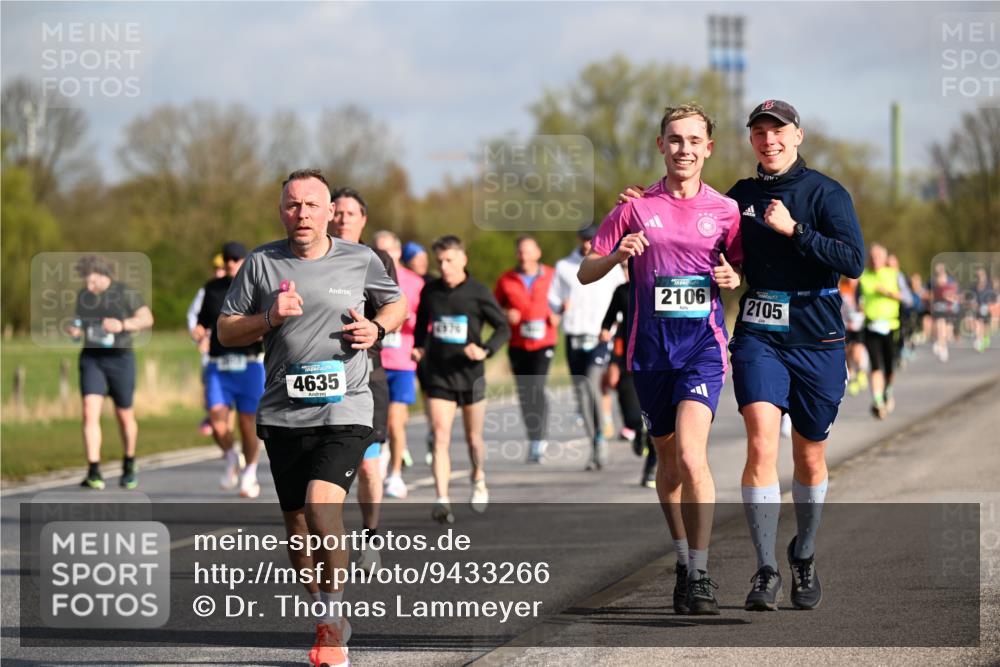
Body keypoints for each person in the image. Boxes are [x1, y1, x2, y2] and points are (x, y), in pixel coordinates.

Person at [217, 169, 405, 667]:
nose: (301, 213)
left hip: (346, 406)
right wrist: (269, 318)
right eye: (292, 205)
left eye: (311, 205)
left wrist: (377, 329)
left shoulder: (360, 258)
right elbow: (226, 332)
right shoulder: (260, 262)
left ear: (329, 213)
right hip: (283, 413)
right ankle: (325, 613)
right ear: (282, 211)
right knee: (298, 531)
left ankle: (331, 624)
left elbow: (396, 303)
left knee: (323, 510)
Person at [581, 103, 743, 615]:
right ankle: (680, 557)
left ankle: (701, 573)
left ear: (708, 149)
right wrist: (616, 255)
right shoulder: (634, 207)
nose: (685, 149)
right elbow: (587, 270)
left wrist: (733, 279)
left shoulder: (725, 211)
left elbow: (740, 268)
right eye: (675, 140)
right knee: (668, 464)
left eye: (694, 141)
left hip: (703, 349)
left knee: (694, 458)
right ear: (661, 145)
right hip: (650, 355)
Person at [726, 100, 864, 612]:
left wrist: (795, 231)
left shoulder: (826, 193)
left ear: (798, 136)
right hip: (759, 335)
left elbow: (854, 262)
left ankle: (802, 552)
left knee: (809, 455)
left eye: (778, 131)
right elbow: (704, 237)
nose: (769, 140)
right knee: (761, 443)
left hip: (818, 338)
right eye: (760, 132)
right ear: (752, 141)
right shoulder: (738, 197)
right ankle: (765, 569)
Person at [412, 235, 510, 524]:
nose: (444, 266)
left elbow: (502, 327)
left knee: (473, 438)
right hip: (438, 374)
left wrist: (485, 350)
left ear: (463, 260)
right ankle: (442, 499)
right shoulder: (430, 291)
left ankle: (478, 476)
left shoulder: (478, 292)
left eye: (449, 260)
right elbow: (420, 326)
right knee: (440, 435)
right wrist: (418, 348)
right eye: (440, 261)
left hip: (470, 375)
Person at [330, 187, 396, 573]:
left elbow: (393, 306)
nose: (341, 218)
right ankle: (329, 541)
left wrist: (374, 327)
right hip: (321, 374)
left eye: (349, 213)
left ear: (362, 219)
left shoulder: (378, 258)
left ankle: (371, 536)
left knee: (369, 466)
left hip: (367, 370)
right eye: (336, 212)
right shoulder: (309, 257)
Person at [67, 255, 154, 490]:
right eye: (85, 281)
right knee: (88, 410)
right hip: (92, 359)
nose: (88, 285)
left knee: (124, 415)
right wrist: (74, 330)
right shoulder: (84, 296)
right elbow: (79, 321)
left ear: (103, 274)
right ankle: (94, 470)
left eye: (91, 280)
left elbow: (147, 319)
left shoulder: (125, 292)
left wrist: (123, 325)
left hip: (120, 359)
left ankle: (129, 464)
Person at [549, 226, 624, 470]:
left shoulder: (609, 263)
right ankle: (595, 441)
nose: (587, 243)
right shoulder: (564, 266)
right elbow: (552, 298)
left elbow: (622, 295)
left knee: (591, 383)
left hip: (601, 335)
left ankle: (603, 432)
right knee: (581, 391)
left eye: (591, 238)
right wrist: (560, 306)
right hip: (574, 335)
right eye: (583, 239)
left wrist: (616, 326)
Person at [193, 241, 264, 497]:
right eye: (228, 259)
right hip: (218, 366)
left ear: (245, 261)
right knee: (217, 422)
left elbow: (267, 322)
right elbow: (202, 322)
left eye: (236, 259)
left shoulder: (257, 287)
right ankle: (232, 457)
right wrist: (199, 332)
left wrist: (257, 332)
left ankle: (250, 473)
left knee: (247, 424)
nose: (232, 263)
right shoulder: (212, 289)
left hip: (249, 365)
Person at [493, 235, 558, 463]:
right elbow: (493, 308)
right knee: (524, 393)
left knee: (537, 388)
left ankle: (540, 441)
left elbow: (567, 300)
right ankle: (533, 438)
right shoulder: (506, 279)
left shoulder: (552, 275)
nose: (524, 256)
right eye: (520, 252)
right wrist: (505, 314)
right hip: (518, 343)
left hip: (544, 342)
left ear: (537, 253)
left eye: (528, 251)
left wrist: (558, 314)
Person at [373, 230, 422, 497]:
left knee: (395, 421)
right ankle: (382, 456)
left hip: (402, 361)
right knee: (376, 421)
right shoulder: (367, 277)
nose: (383, 256)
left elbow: (424, 319)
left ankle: (394, 475)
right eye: (377, 251)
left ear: (398, 251)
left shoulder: (414, 282)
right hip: (375, 361)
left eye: (388, 251)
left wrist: (403, 317)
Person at [599, 262, 656, 487]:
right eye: (624, 268)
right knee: (633, 417)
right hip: (627, 359)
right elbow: (609, 320)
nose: (628, 271)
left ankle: (651, 468)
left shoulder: (657, 288)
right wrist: (605, 333)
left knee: (656, 419)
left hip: (655, 358)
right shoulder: (622, 291)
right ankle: (638, 430)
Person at [859, 244, 901, 419]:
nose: (875, 259)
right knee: (875, 365)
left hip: (891, 326)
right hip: (871, 326)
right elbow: (857, 299)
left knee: (890, 366)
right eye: (872, 256)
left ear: (885, 258)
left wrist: (888, 293)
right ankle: (878, 401)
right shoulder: (864, 277)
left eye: (878, 256)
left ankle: (888, 391)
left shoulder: (894, 275)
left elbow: (906, 297)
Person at [188, 253, 226, 436]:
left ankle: (222, 426)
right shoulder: (207, 290)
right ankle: (212, 417)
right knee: (209, 387)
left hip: (236, 351)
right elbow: (194, 318)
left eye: (222, 268)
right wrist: (199, 337)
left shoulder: (240, 286)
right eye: (217, 269)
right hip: (211, 351)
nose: (219, 272)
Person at [839, 276, 868, 396]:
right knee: (846, 351)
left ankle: (860, 371)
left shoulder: (862, 287)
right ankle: (852, 376)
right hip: (846, 324)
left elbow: (865, 306)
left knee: (857, 349)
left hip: (859, 324)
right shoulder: (842, 286)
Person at [930, 262, 960, 362]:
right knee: (940, 326)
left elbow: (956, 296)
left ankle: (941, 343)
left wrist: (951, 298)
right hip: (939, 308)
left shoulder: (951, 282)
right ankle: (943, 348)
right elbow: (932, 296)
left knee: (947, 332)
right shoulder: (933, 283)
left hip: (949, 309)